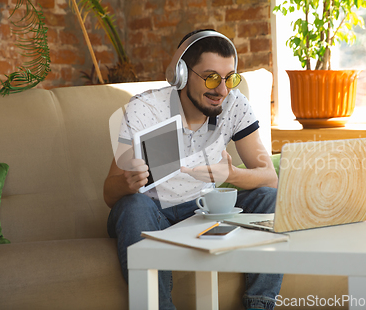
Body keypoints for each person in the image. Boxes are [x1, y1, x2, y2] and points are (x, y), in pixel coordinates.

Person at [103, 29, 283, 310]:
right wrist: (128, 182)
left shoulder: (234, 104)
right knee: (133, 205)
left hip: (204, 211)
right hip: (153, 214)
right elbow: (109, 193)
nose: (222, 90)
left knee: (268, 199)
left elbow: (268, 177)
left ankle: (260, 306)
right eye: (211, 77)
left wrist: (231, 175)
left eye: (230, 78)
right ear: (181, 75)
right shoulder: (145, 109)